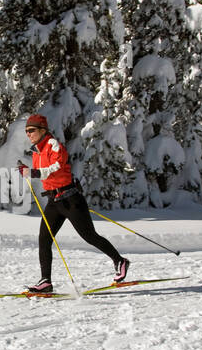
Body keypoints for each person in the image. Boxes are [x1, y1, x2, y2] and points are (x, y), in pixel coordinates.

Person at [18, 114, 129, 294]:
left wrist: (34, 173)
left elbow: (57, 167)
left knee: (89, 236)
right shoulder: (36, 151)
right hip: (53, 201)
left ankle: (120, 261)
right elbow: (46, 173)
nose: (28, 134)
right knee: (44, 239)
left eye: (31, 130)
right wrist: (29, 171)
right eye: (26, 131)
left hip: (70, 200)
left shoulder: (53, 145)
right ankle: (45, 282)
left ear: (42, 130)